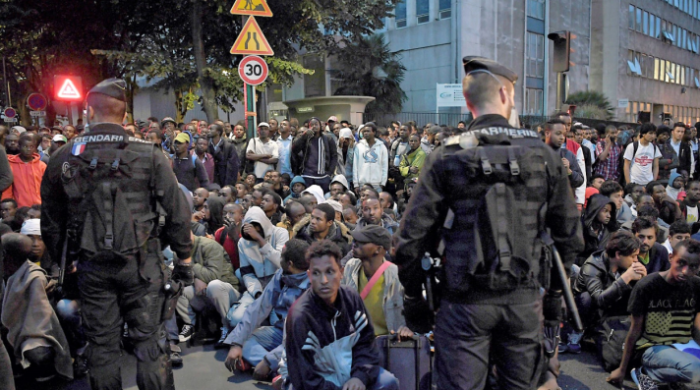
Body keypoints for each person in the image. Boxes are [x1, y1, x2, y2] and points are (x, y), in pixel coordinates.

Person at [395, 57, 584, 390]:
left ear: (468, 101)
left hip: (462, 302)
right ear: (505, 94)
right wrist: (554, 296)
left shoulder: (446, 155)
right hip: (524, 300)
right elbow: (569, 236)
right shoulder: (544, 156)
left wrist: (414, 298)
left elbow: (410, 240)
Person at [40, 78, 193, 390]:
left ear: (89, 112)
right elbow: (178, 212)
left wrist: (62, 263)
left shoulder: (64, 157)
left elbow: (50, 222)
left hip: (91, 267)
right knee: (150, 346)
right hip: (142, 265)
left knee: (102, 348)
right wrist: (185, 259)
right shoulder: (150, 154)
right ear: (124, 116)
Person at [283, 240, 399, 390]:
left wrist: (359, 377)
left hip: (350, 375)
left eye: (330, 272)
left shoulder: (351, 299)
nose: (324, 281)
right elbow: (304, 378)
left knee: (389, 382)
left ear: (341, 272)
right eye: (317, 273)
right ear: (309, 276)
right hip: (318, 384)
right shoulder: (300, 316)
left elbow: (366, 344)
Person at [607, 240, 700, 390]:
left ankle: (670, 376)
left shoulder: (696, 286)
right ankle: (643, 373)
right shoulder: (647, 285)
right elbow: (634, 331)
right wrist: (622, 369)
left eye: (693, 267)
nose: (685, 271)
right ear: (671, 258)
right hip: (650, 347)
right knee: (696, 370)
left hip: (681, 346)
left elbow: (697, 326)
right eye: (681, 263)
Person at [223, 239, 311, 380]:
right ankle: (281, 373)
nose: (278, 258)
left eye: (281, 256)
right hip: (282, 329)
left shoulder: (314, 287)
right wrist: (237, 343)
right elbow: (259, 307)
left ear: (290, 264)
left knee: (305, 356)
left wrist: (269, 360)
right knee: (244, 340)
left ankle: (281, 371)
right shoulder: (283, 275)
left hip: (304, 339)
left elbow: (301, 338)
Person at [1, 232, 74, 383]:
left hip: (32, 330)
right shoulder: (10, 271)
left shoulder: (34, 277)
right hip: (15, 325)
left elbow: (39, 318)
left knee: (35, 350)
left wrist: (19, 334)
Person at [570, 231, 645, 353]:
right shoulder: (592, 266)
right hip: (589, 307)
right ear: (618, 254)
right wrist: (625, 278)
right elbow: (599, 299)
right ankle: (578, 330)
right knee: (585, 298)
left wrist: (643, 281)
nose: (636, 260)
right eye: (633, 256)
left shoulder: (626, 264)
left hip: (610, 307)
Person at [342, 225, 412, 338]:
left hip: (386, 344)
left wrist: (407, 328)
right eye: (355, 240)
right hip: (356, 343)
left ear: (378, 249)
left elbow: (413, 315)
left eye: (362, 242)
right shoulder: (351, 267)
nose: (355, 244)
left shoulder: (397, 276)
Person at [175, 231, 240, 346]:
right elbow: (180, 275)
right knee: (181, 292)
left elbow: (213, 276)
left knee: (214, 286)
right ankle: (190, 325)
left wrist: (190, 264)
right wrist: (195, 279)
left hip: (227, 290)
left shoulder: (210, 246)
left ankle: (227, 328)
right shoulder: (179, 252)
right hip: (205, 291)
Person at [230, 206, 289, 327]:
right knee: (237, 319)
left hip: (279, 283)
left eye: (257, 229)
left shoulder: (280, 233)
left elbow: (280, 263)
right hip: (258, 285)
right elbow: (247, 273)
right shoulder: (243, 242)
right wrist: (257, 293)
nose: (253, 234)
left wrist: (261, 240)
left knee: (278, 323)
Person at [290, 117, 338, 193]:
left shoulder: (328, 138)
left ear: (320, 126)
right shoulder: (306, 138)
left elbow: (334, 156)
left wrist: (329, 173)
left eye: (316, 124)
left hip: (323, 176)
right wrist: (304, 136)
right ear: (309, 127)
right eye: (312, 125)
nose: (314, 126)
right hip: (307, 175)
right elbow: (295, 150)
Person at [2, 132, 47, 208]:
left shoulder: (42, 166)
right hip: (19, 208)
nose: (28, 149)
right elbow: (7, 190)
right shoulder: (10, 165)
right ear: (19, 147)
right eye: (25, 146)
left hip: (39, 207)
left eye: (31, 146)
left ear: (35, 148)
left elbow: (46, 188)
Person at [577, 194, 618, 265]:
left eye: (610, 212)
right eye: (605, 211)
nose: (609, 216)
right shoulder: (580, 228)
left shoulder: (610, 232)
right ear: (595, 210)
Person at [545, 119, 584, 189]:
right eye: (558, 133)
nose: (562, 137)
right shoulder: (536, 152)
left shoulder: (568, 154)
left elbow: (580, 180)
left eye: (563, 134)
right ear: (547, 133)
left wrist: (569, 172)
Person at [353, 122, 388, 193]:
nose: (365, 133)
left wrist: (383, 183)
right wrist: (356, 184)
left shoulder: (381, 146)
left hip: (377, 184)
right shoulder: (359, 147)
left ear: (374, 132)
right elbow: (355, 166)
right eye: (364, 131)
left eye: (368, 131)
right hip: (363, 184)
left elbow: (385, 165)